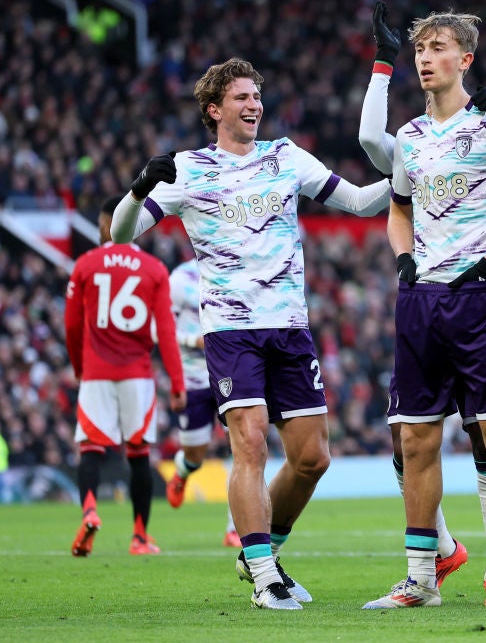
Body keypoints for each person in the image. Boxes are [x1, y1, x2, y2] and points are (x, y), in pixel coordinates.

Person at [111, 57, 392, 610]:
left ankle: (261, 552)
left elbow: (359, 202)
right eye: (241, 97)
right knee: (250, 440)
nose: (254, 105)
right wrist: (139, 188)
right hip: (231, 329)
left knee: (313, 457)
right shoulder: (187, 169)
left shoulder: (285, 156)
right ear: (215, 109)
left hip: (290, 326)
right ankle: (265, 575)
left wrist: (415, 176)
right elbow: (122, 235)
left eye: (257, 95)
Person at [362, 10, 486, 610]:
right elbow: (398, 209)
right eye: (419, 48)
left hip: (480, 300)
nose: (423, 57)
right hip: (421, 301)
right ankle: (420, 577)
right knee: (414, 440)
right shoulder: (409, 136)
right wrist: (403, 259)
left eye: (437, 48)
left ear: (464, 59)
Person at [65, 195, 186, 557]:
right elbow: (166, 332)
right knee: (138, 454)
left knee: (90, 447)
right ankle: (139, 536)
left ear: (105, 225)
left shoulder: (86, 264)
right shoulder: (153, 269)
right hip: (137, 374)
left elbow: (72, 325)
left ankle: (89, 510)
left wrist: (79, 367)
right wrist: (178, 384)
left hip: (97, 372)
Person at [163, 258, 241, 546]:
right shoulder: (179, 279)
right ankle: (183, 470)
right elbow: (163, 329)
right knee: (195, 454)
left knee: (244, 451)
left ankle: (235, 529)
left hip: (229, 373)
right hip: (193, 377)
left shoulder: (234, 271)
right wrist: (192, 340)